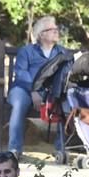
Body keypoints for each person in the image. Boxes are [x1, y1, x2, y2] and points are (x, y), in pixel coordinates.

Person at [7, 15, 68, 156]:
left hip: (50, 92)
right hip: (23, 89)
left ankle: (61, 149)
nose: (56, 31)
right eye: (52, 29)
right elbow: (21, 74)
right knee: (19, 103)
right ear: (41, 34)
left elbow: (66, 74)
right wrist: (33, 90)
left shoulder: (62, 52)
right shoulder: (27, 51)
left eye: (56, 28)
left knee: (66, 102)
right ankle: (14, 150)